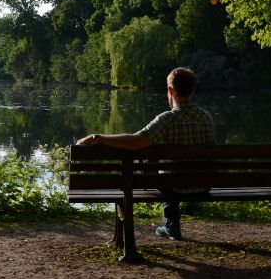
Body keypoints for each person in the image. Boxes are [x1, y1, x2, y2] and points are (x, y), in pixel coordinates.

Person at [76, 67, 216, 241]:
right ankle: (170, 224)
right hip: (204, 184)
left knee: (163, 174)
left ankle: (170, 225)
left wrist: (98, 137)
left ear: (170, 90)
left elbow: (135, 141)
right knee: (170, 171)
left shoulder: (167, 119)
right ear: (192, 91)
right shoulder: (206, 117)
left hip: (173, 186)